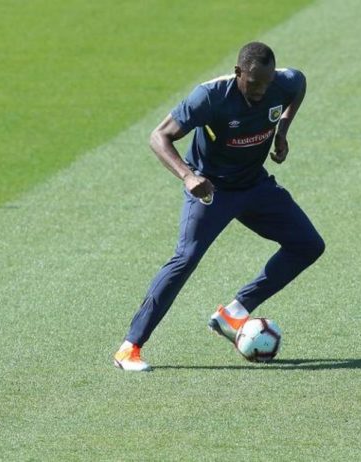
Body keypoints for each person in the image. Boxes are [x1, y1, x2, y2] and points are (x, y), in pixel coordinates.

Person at [114, 42, 325, 371]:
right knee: (185, 259)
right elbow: (159, 136)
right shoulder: (210, 97)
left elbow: (299, 85)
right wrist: (188, 177)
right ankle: (129, 348)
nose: (261, 90)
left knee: (308, 245)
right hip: (211, 190)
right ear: (238, 72)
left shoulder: (283, 83)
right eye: (253, 82)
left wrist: (282, 131)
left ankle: (234, 313)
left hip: (254, 184)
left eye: (267, 82)